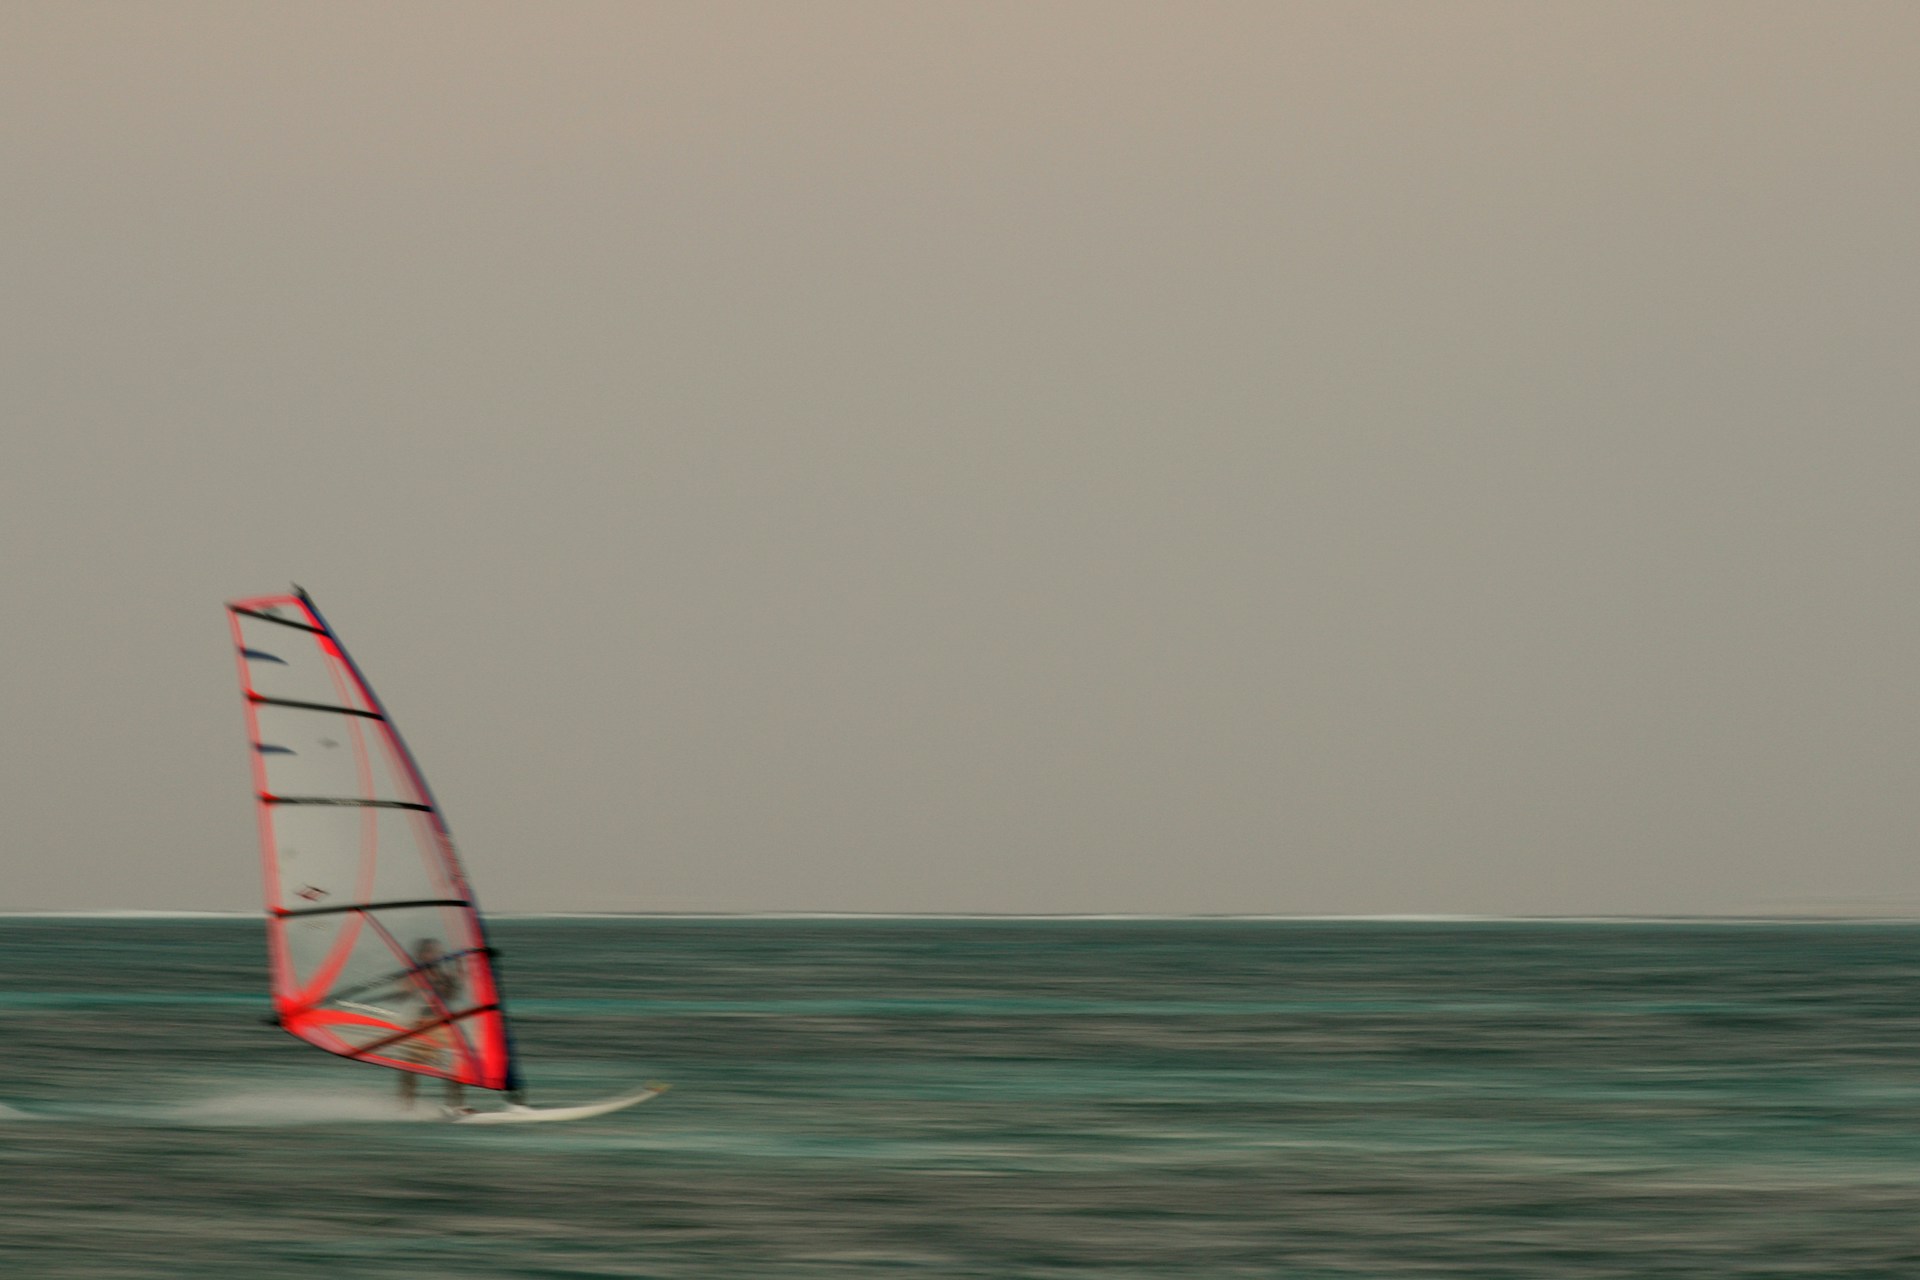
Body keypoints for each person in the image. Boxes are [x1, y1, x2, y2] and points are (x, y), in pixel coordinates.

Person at [394, 938, 470, 1115]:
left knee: (454, 1067)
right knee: (409, 1069)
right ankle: (404, 1107)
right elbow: (404, 993)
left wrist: (458, 974)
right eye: (430, 952)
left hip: (442, 1025)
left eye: (437, 952)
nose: (435, 955)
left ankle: (456, 1106)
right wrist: (408, 991)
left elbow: (452, 995)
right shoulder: (414, 976)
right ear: (421, 955)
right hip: (421, 1025)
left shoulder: (444, 976)